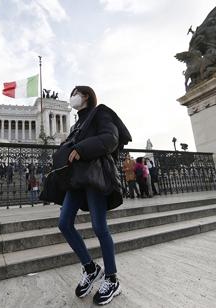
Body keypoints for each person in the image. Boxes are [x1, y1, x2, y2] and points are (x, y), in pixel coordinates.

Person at [58, 86, 131, 305]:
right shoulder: (76, 124)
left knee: (100, 227)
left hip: (95, 175)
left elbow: (110, 138)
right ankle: (90, 268)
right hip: (77, 179)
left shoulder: (101, 113)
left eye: (76, 92)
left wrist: (81, 148)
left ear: (86, 95)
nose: (73, 97)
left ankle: (111, 278)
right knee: (64, 223)